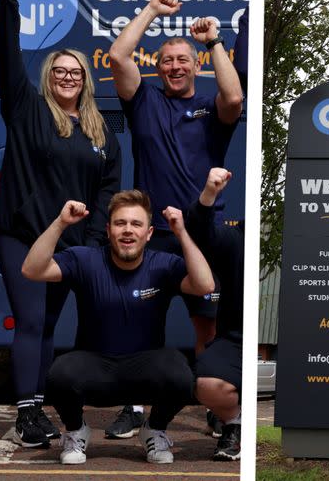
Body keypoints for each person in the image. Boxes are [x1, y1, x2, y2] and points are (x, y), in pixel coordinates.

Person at [106, 0, 243, 438]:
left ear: (196, 65)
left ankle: (210, 405)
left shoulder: (211, 109)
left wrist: (212, 42)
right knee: (138, 326)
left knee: (206, 324)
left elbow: (235, 96)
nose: (176, 67)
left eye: (183, 60)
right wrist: (151, 11)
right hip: (152, 237)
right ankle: (133, 407)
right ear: (158, 67)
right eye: (167, 61)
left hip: (199, 235)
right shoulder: (142, 100)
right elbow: (117, 55)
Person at [0, 0, 121, 447]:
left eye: (76, 72)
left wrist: (92, 243)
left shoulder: (100, 130)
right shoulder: (26, 107)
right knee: (29, 320)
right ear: (48, 76)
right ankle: (28, 412)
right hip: (22, 232)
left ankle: (36, 402)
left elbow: (108, 190)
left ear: (85, 80)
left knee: (48, 324)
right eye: (59, 71)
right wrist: (10, 1)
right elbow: (9, 56)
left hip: (72, 245)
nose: (67, 78)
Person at [21, 190, 215, 464]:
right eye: (120, 223)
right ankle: (77, 431)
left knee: (181, 374)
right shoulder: (84, 259)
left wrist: (181, 233)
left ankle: (154, 429)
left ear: (148, 233)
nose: (127, 230)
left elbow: (205, 285)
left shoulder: (163, 265)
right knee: (59, 374)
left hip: (144, 369)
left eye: (136, 224)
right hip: (95, 367)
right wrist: (60, 223)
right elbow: (32, 269)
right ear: (108, 230)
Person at [187, 168, 244, 461]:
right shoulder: (237, 237)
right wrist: (210, 192)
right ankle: (235, 424)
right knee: (205, 383)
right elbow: (200, 232)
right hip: (235, 341)